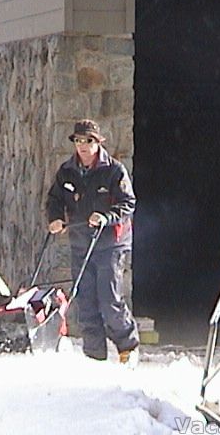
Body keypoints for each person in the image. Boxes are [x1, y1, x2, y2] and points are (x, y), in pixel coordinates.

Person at [46, 119, 139, 365]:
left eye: (88, 141)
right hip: (80, 242)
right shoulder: (66, 171)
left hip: (110, 243)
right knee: (85, 300)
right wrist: (55, 219)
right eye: (78, 141)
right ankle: (94, 357)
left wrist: (105, 217)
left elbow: (128, 203)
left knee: (109, 299)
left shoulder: (114, 170)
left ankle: (127, 346)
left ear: (98, 143)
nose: (83, 146)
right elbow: (54, 199)